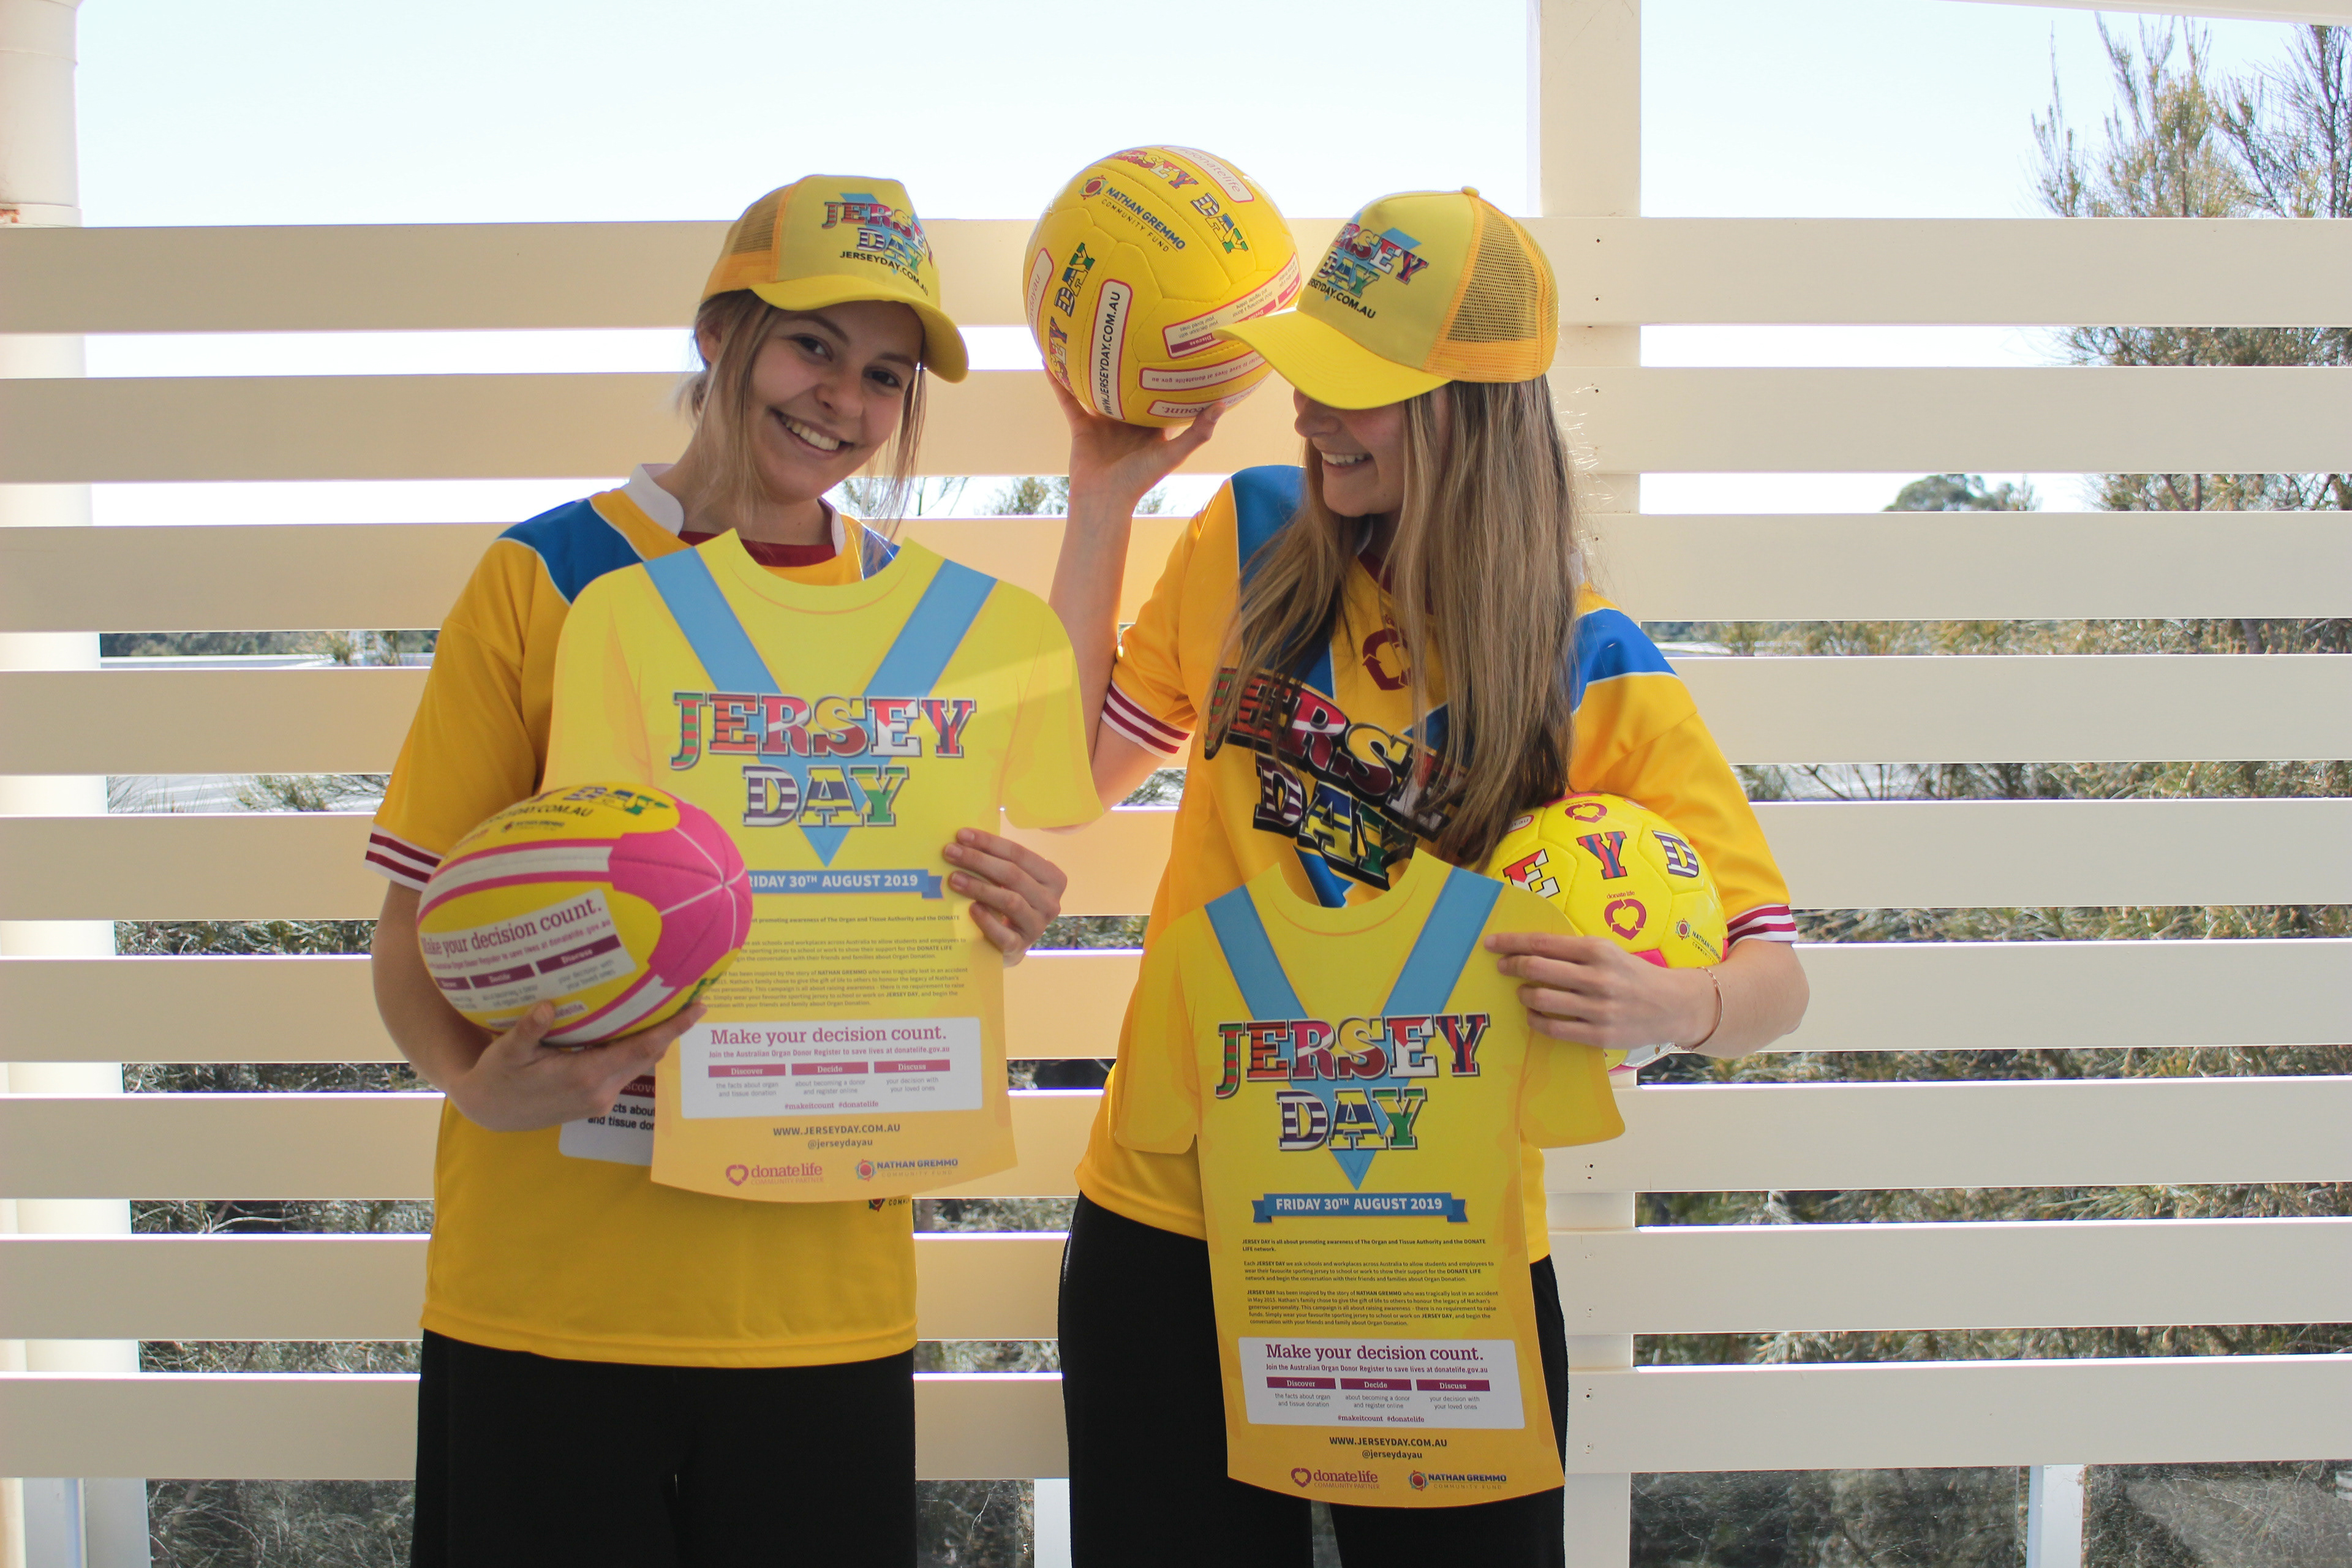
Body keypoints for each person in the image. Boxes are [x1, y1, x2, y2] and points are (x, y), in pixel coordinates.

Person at [1047, 188, 1811, 1566]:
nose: (1308, 412)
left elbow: (1775, 975)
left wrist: (1672, 1003)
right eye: (1309, 370)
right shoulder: (1248, 536)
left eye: (1357, 386)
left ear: (1473, 412)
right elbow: (1065, 775)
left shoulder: (1593, 661)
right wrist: (1101, 497)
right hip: (1172, 1218)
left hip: (1434, 1246)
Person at [366, 176, 1071, 1568]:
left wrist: (1005, 905)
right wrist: (471, 1081)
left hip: (819, 1300)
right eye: (814, 346)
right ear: (720, 335)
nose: (845, 402)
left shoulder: (935, 625)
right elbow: (411, 930)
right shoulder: (549, 578)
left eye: (886, 375)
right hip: (551, 1293)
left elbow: (937, 896)